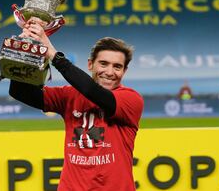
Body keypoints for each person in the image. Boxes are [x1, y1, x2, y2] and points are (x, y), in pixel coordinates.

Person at [9, 17, 144, 191]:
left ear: (124, 71)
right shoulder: (69, 95)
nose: (109, 72)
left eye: (117, 67)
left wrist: (54, 55)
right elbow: (20, 92)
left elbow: (91, 91)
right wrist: (26, 50)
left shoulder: (131, 99)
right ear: (90, 64)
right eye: (103, 64)